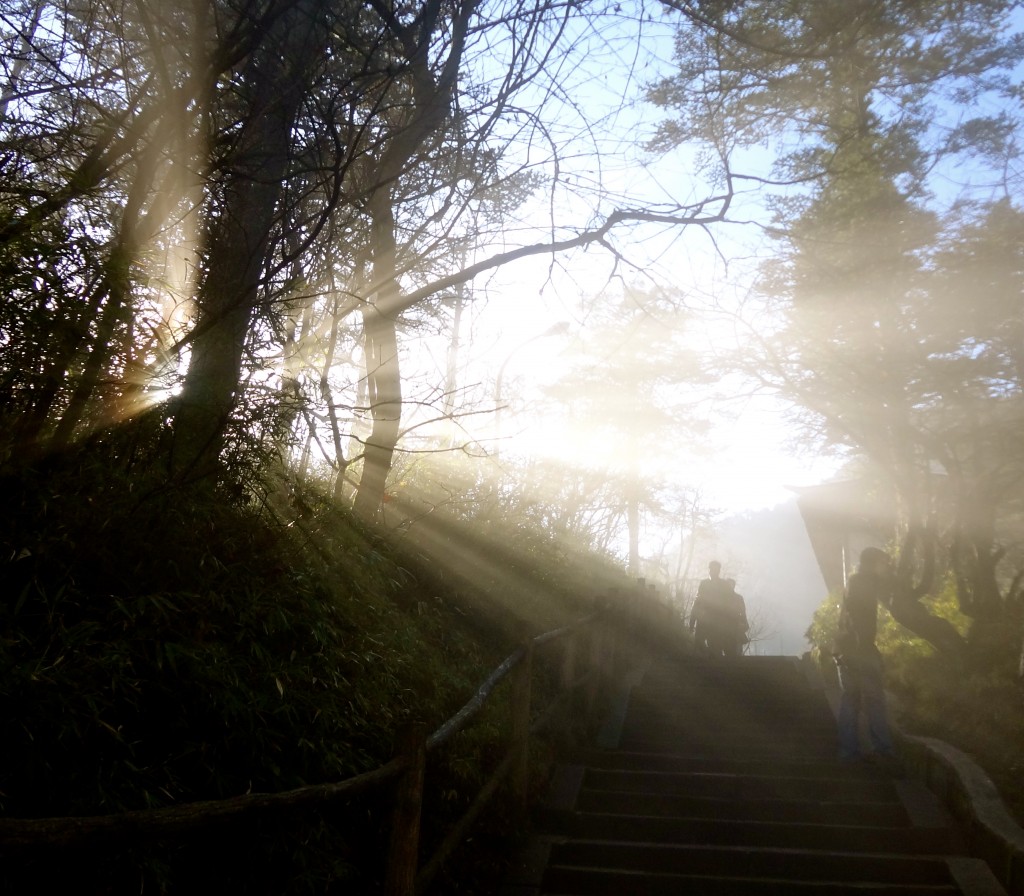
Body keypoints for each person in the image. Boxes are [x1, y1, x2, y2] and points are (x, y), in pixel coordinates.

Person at [834, 546, 899, 768]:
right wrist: (865, 649)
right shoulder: (865, 583)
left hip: (848, 648)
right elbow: (857, 618)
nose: (886, 566)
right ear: (873, 563)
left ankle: (848, 752)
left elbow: (847, 615)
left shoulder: (855, 582)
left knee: (850, 700)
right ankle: (883, 751)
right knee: (874, 700)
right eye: (883, 562)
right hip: (860, 651)